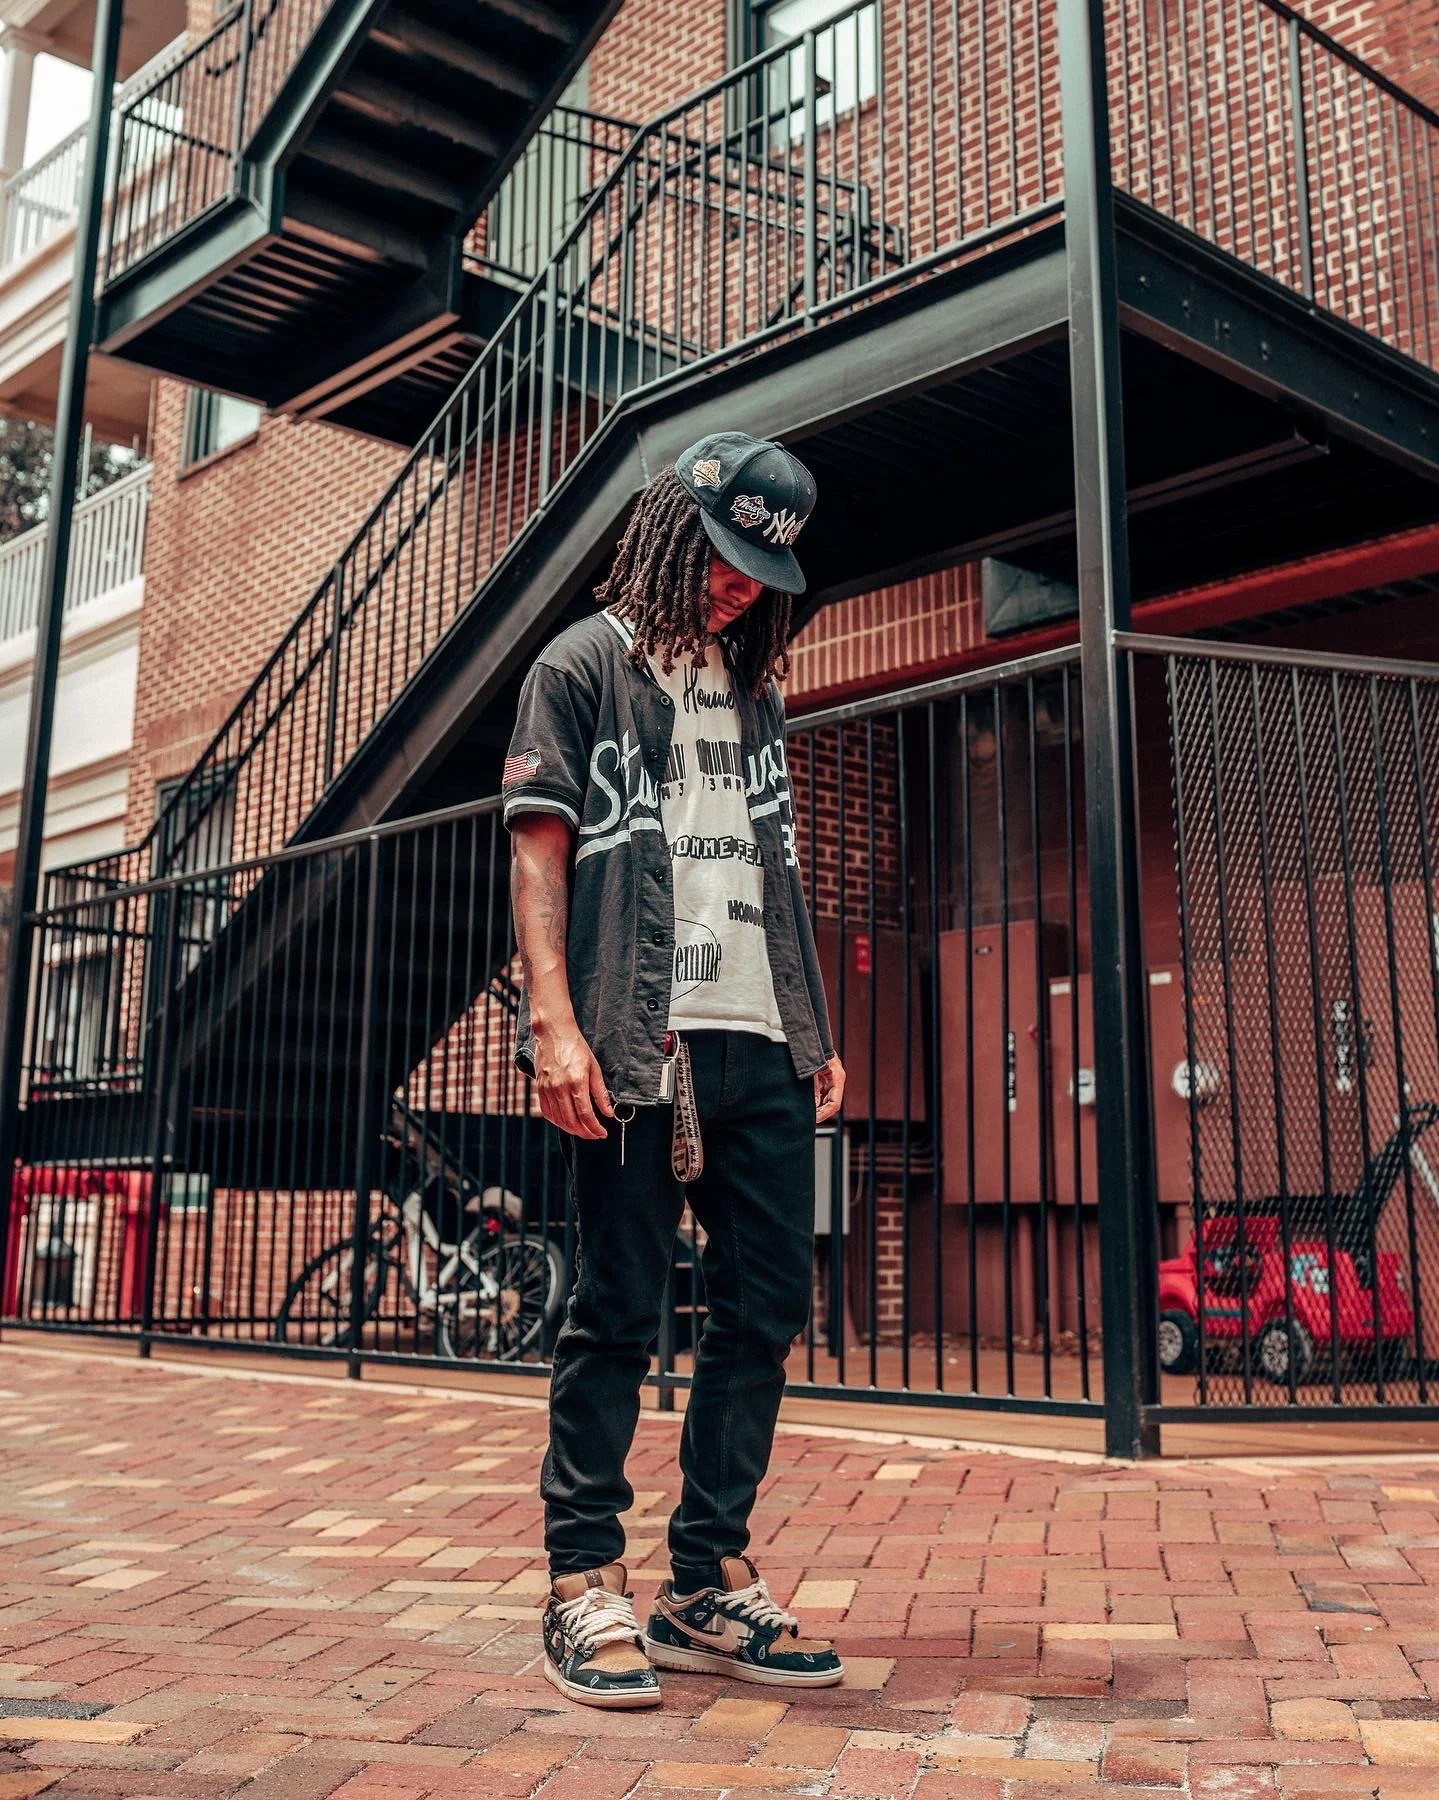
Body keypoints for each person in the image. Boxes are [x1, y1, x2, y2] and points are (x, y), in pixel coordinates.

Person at [503, 431, 847, 1709]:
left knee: (767, 1304)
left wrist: (811, 1026)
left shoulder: (753, 692)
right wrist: (555, 1023)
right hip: (633, 1037)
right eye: (724, 557)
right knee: (616, 1303)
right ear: (666, 530)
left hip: (756, 1035)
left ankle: (704, 1574)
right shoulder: (580, 667)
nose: (740, 585)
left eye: (764, 569)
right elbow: (539, 859)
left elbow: (772, 872)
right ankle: (581, 1576)